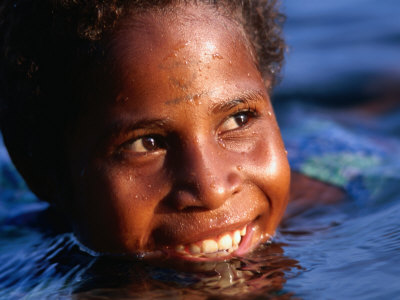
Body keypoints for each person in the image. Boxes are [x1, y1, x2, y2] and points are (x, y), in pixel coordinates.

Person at [0, 0, 342, 261]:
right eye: (145, 143)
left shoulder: (334, 192)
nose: (211, 190)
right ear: (43, 174)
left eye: (238, 119)